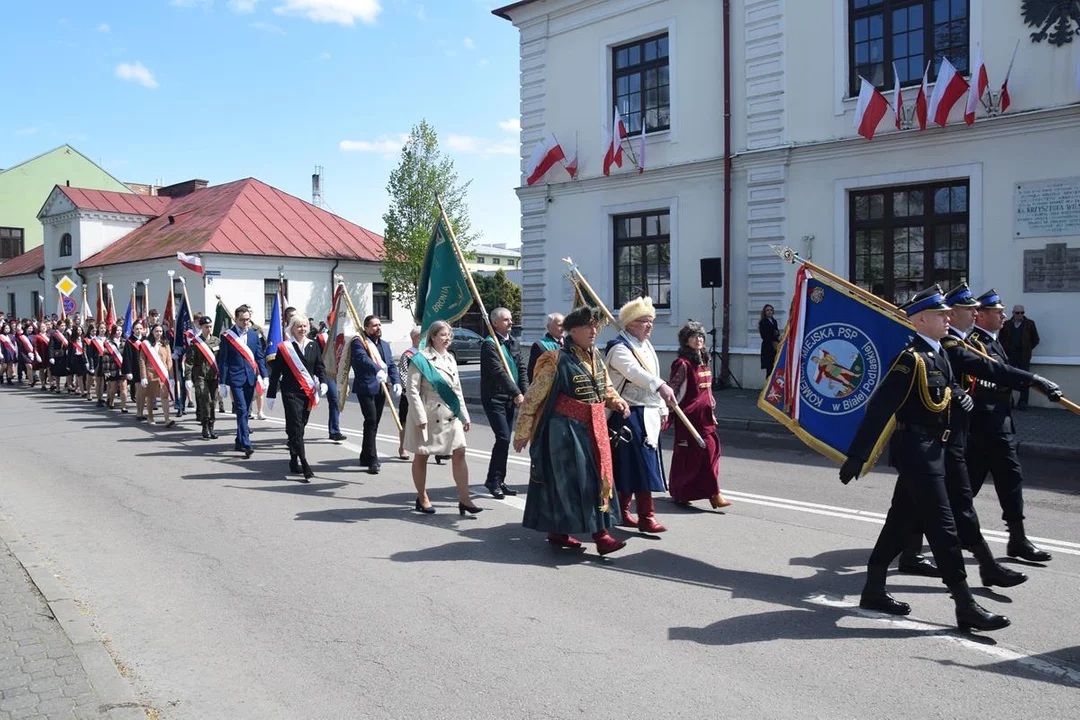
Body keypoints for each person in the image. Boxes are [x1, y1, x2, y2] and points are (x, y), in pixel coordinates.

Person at [839, 285, 1008, 632]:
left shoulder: (939, 353)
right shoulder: (910, 360)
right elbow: (880, 408)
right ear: (920, 320)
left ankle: (873, 589)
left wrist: (959, 394)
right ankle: (965, 604)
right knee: (943, 527)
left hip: (937, 451)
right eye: (942, 314)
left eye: (948, 313)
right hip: (917, 453)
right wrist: (857, 456)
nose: (949, 318)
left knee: (899, 523)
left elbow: (946, 384)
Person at [513, 305, 631, 555]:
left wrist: (616, 401)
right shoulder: (555, 360)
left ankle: (559, 531)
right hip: (565, 432)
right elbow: (533, 397)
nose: (593, 331)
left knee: (595, 479)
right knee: (577, 483)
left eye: (595, 326)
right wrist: (522, 431)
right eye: (588, 326)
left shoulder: (596, 356)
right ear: (573, 330)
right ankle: (601, 536)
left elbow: (605, 386)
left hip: (594, 427)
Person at [966, 289, 1062, 562]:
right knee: (964, 489)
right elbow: (993, 376)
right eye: (998, 312)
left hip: (1000, 426)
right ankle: (927, 535)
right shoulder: (973, 343)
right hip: (980, 427)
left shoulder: (996, 342)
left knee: (1010, 480)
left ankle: (1017, 539)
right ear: (980, 315)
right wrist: (1032, 380)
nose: (1004, 316)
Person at [605, 297, 675, 534]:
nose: (650, 326)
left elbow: (654, 373)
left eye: (651, 321)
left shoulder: (646, 345)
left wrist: (663, 408)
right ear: (631, 323)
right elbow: (634, 373)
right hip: (628, 414)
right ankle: (644, 516)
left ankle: (625, 512)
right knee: (638, 467)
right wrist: (661, 386)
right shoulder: (619, 347)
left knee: (638, 466)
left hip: (649, 414)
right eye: (645, 321)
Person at [404, 321, 481, 515]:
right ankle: (422, 497)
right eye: (443, 335)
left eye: (449, 335)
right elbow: (411, 390)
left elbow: (456, 390)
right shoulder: (421, 358)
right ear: (433, 336)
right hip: (429, 412)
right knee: (422, 455)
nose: (447, 339)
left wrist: (464, 415)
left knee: (460, 451)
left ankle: (465, 499)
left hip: (450, 412)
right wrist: (419, 417)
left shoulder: (450, 358)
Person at [666, 320, 731, 509]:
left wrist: (712, 409)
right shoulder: (682, 364)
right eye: (694, 336)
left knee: (712, 451)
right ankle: (710, 494)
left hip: (705, 417)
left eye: (701, 335)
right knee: (691, 456)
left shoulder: (704, 360)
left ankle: (690, 492)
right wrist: (669, 412)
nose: (699, 339)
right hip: (689, 418)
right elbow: (672, 391)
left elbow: (708, 392)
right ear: (686, 341)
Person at [267, 316, 328, 482]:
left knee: (300, 426)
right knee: (296, 427)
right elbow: (276, 372)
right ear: (292, 328)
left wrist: (323, 382)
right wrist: (271, 394)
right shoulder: (285, 348)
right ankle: (304, 463)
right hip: (291, 393)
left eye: (304, 326)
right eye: (299, 326)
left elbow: (319, 367)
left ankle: (293, 458)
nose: (302, 329)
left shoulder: (313, 345)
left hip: (308, 393)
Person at [480, 307, 528, 499]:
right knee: (503, 438)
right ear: (495, 323)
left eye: (511, 319)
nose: (510, 322)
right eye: (506, 320)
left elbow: (521, 368)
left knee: (504, 440)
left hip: (510, 397)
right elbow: (498, 372)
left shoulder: (513, 342)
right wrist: (516, 393)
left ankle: (498, 479)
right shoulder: (489, 345)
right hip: (494, 398)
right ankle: (493, 481)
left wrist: (525, 392)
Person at [350, 315, 401, 475]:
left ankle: (365, 455)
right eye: (374, 325)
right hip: (366, 387)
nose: (378, 328)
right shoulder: (359, 343)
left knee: (373, 423)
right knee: (371, 420)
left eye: (379, 325)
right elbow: (362, 359)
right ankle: (372, 459)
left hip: (382, 387)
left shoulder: (385, 345)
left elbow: (391, 364)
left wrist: (397, 381)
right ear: (366, 328)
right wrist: (377, 370)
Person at [217, 305, 268, 458]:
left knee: (245, 411)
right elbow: (223, 360)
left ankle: (239, 440)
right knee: (241, 409)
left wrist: (264, 375)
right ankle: (246, 443)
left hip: (250, 378)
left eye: (247, 319)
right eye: (242, 320)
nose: (246, 322)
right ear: (236, 319)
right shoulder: (227, 336)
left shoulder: (254, 335)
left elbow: (259, 357)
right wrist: (222, 383)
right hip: (235, 378)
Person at [998, 304, 1040, 409]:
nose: (1020, 315)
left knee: (1025, 379)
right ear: (1013, 313)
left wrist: (1027, 348)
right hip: (1009, 355)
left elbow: (1035, 339)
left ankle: (1023, 402)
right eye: (1017, 313)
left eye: (1022, 313)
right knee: (1008, 378)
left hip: (1023, 356)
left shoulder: (1029, 324)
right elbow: (1001, 339)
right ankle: (1009, 401)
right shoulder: (1007, 324)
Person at [185, 316, 221, 439]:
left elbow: (220, 359)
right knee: (205, 400)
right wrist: (188, 378)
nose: (209, 329)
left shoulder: (217, 341)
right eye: (206, 327)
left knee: (213, 402)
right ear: (201, 327)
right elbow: (189, 362)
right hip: (200, 376)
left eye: (210, 326)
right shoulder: (195, 343)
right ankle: (205, 426)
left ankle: (212, 426)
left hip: (214, 376)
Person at [314, 321, 346, 443]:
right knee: (334, 399)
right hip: (327, 372)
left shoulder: (345, 336)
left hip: (340, 372)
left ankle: (334, 430)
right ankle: (334, 431)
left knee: (338, 400)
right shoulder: (321, 338)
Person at [138, 324, 176, 427]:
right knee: (150, 396)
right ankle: (150, 417)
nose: (159, 333)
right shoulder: (146, 344)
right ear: (152, 332)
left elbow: (169, 361)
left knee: (164, 396)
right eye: (156, 331)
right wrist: (143, 376)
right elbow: (142, 361)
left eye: (160, 331)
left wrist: (172, 377)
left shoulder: (166, 344)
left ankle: (167, 419)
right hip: (150, 373)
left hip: (163, 374)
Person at [396, 326, 422, 460]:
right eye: (421, 337)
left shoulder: (427, 354)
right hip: (409, 394)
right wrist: (409, 390)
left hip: (424, 394)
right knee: (405, 421)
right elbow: (403, 373)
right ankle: (403, 447)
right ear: (415, 338)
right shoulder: (408, 355)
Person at [527, 312, 563, 383]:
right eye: (559, 325)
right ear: (548, 327)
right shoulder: (540, 346)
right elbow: (532, 373)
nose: (563, 328)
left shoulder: (568, 344)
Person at [100, 324, 128, 412]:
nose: (119, 332)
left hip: (123, 368)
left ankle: (123, 406)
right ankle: (111, 401)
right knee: (113, 388)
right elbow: (106, 357)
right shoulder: (108, 342)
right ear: (113, 331)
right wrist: (106, 370)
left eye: (120, 330)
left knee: (124, 387)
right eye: (117, 330)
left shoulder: (125, 341)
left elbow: (127, 356)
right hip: (112, 368)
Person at [122, 321, 147, 419]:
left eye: (140, 328)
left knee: (144, 392)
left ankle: (142, 412)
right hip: (135, 369)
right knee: (139, 392)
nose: (139, 330)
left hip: (145, 369)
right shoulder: (129, 341)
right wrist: (128, 371)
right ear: (133, 330)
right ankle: (139, 413)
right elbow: (127, 357)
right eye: (137, 329)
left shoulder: (145, 340)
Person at [67, 324, 90, 398]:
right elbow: (70, 352)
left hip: (82, 358)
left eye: (80, 330)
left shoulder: (83, 340)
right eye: (78, 330)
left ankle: (78, 388)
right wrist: (68, 363)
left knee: (83, 375)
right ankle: (83, 392)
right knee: (79, 375)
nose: (79, 331)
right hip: (75, 359)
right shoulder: (72, 341)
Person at [758, 304, 780, 376]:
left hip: (775, 346)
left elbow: (777, 332)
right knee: (769, 368)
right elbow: (764, 336)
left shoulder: (774, 321)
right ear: (764, 312)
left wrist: (776, 334)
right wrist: (774, 334)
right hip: (768, 347)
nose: (769, 312)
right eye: (767, 310)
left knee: (775, 367)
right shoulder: (763, 322)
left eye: (771, 310)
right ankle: (768, 385)